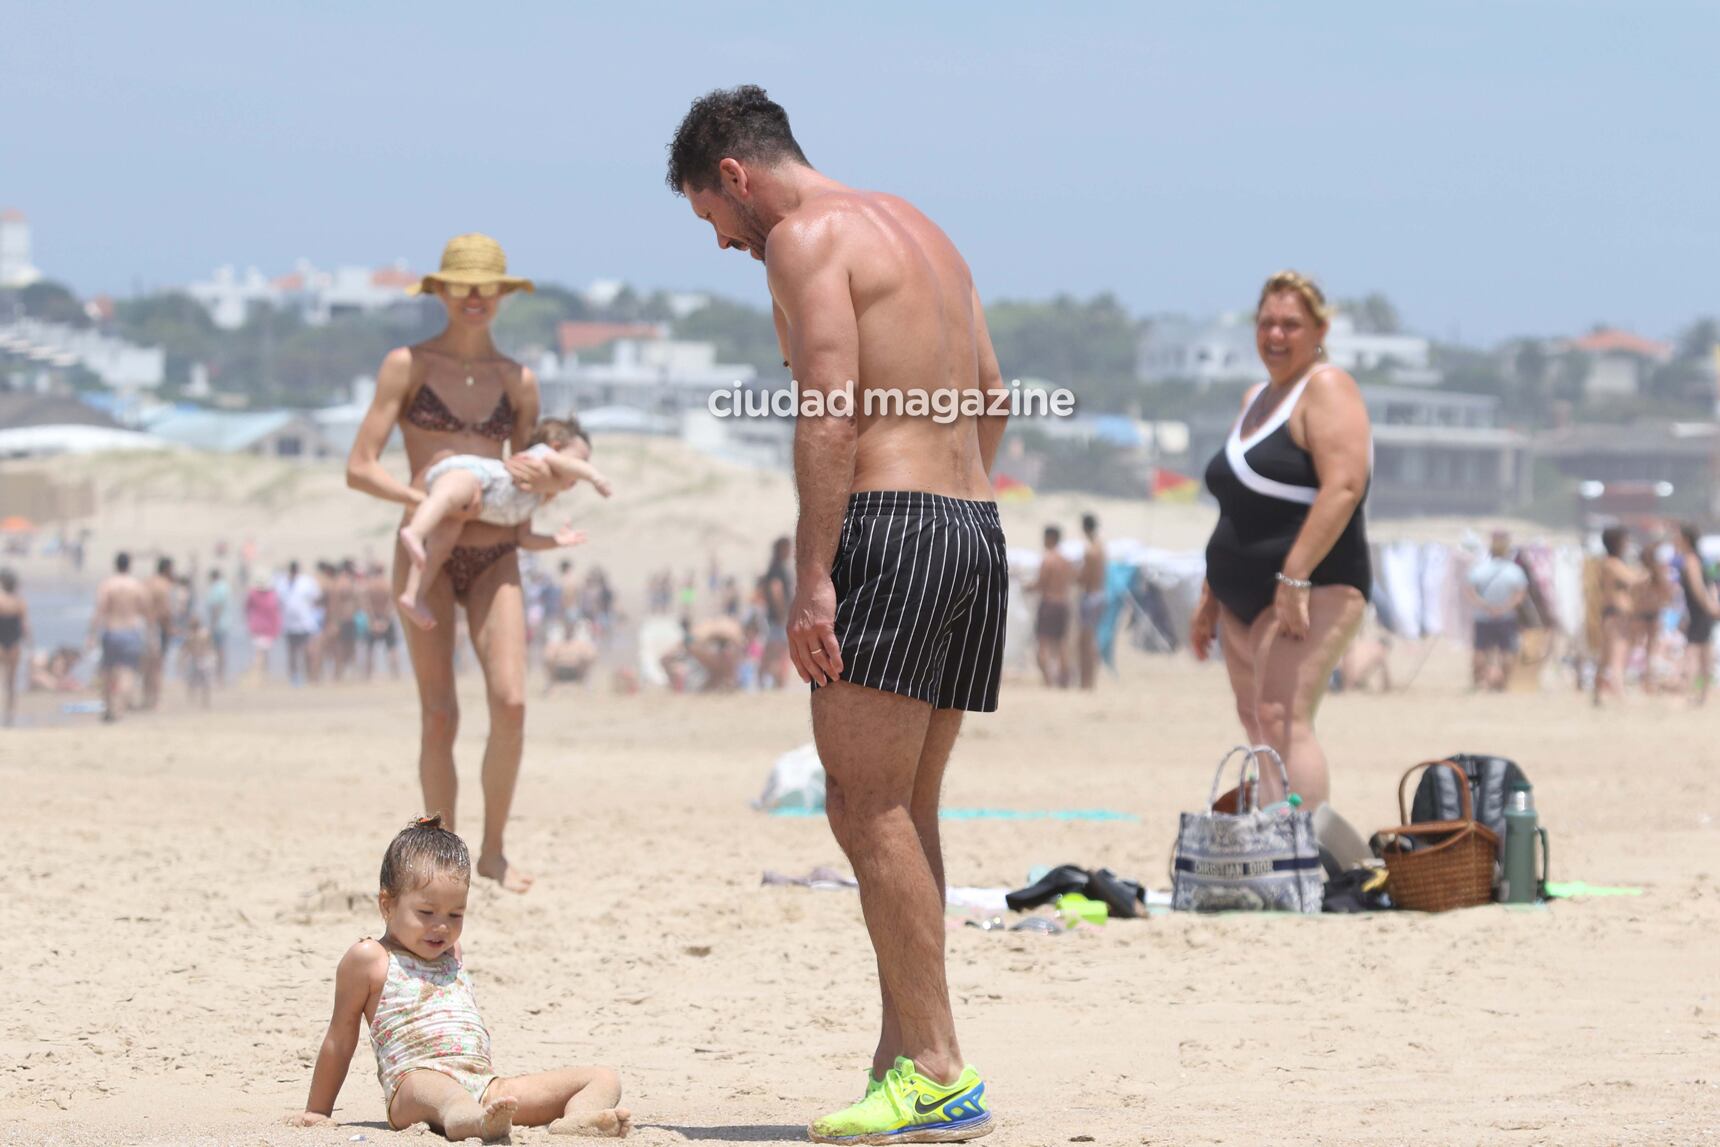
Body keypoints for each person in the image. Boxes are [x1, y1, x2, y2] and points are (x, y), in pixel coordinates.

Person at [669, 84, 1004, 1143]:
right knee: (908, 808)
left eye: (710, 220)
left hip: (891, 523)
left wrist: (816, 575)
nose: (723, 244)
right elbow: (990, 393)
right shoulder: (921, 229)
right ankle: (905, 1056)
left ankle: (940, 1064)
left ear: (734, 175)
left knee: (863, 810)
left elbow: (828, 407)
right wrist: (948, 504)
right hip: (972, 524)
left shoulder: (803, 238)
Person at [347, 232, 546, 894]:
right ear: (439, 290)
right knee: (440, 713)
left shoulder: (517, 381)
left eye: (486, 285)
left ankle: (492, 851)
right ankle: (442, 856)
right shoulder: (406, 365)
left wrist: (549, 493)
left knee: (512, 701)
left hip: (496, 551)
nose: (474, 297)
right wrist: (428, 497)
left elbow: (527, 479)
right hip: (422, 550)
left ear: (502, 294)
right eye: (461, 285)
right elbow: (359, 465)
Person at [290, 816, 629, 1139]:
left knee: (603, 1077)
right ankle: (473, 1122)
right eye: (426, 913)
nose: (442, 926)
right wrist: (318, 1110)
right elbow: (339, 1038)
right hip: (414, 1085)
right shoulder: (370, 959)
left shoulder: (453, 953)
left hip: (485, 1086)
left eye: (456, 914)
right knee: (439, 1090)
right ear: (387, 905)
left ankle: (578, 1119)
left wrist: (488, 1095)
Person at [1189, 271, 1371, 811]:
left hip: (1314, 585)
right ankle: (1273, 842)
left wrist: (1294, 576)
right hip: (1239, 598)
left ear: (1319, 329)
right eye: (1266, 322)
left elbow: (1344, 486)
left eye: (1291, 324)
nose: (1276, 334)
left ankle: (1302, 855)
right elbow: (1239, 507)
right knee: (1256, 722)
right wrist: (1210, 594)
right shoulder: (1255, 398)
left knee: (1283, 717)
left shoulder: (1327, 387)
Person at [397, 418, 608, 631]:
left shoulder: (534, 497)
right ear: (555, 447)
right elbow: (568, 465)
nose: (580, 472)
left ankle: (413, 595)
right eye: (581, 460)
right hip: (474, 475)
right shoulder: (539, 458)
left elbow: (524, 538)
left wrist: (556, 540)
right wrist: (595, 477)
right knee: (448, 495)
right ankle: (415, 531)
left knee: (437, 549)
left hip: (465, 508)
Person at [89, 552, 151, 723]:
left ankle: (109, 708)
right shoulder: (136, 586)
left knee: (108, 671)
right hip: (131, 632)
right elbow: (146, 611)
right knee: (127, 672)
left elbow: (99, 611)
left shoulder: (108, 585)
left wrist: (91, 635)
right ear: (129, 565)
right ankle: (119, 709)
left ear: (115, 565)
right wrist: (151, 635)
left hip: (112, 631)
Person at [1464, 530, 1529, 692]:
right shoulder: (1515, 570)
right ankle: (1503, 684)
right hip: (1506, 617)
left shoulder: (1479, 569)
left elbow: (1470, 593)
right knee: (1507, 652)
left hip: (1483, 617)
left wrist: (1486, 607)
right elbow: (1519, 596)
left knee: (1480, 651)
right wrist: (1503, 609)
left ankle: (1479, 682)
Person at [1592, 526, 1642, 707]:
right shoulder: (1612, 564)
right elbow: (1633, 579)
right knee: (1616, 655)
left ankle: (1597, 694)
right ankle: (1620, 694)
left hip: (1614, 614)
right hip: (1615, 614)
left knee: (1606, 657)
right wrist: (1650, 573)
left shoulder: (1609, 563)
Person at [1026, 525, 1075, 688]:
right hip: (1064, 603)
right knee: (1061, 643)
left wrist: (1027, 587)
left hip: (1049, 603)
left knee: (1043, 643)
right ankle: (1064, 681)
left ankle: (1048, 681)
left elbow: (1041, 584)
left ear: (1050, 538)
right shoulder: (1066, 560)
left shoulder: (1048, 559)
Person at [1675, 523, 1717, 706]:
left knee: (1693, 651)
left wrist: (1709, 606)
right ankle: (1703, 695)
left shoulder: (1690, 560)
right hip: (1703, 610)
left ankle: (1688, 692)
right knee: (1705, 651)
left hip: (1699, 611)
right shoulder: (1699, 559)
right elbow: (1710, 585)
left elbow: (1698, 588)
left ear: (1685, 539)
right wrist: (1713, 604)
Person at [277, 561, 322, 686]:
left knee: (308, 650)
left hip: (305, 622)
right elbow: (279, 602)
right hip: (289, 623)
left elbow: (316, 597)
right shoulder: (282, 583)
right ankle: (294, 677)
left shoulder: (307, 582)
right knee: (292, 652)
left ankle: (310, 675)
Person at [759, 536, 793, 689]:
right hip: (777, 617)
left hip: (776, 616)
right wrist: (781, 613)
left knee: (776, 650)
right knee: (776, 650)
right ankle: (768, 681)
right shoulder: (777, 568)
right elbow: (775, 590)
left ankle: (771, 681)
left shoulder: (776, 567)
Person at [142, 556, 176, 709]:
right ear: (167, 569)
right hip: (157, 627)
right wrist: (169, 628)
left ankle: (146, 697)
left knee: (146, 665)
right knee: (157, 665)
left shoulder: (146, 582)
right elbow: (165, 611)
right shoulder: (164, 585)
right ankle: (155, 700)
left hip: (143, 626)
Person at [1076, 513, 1106, 689]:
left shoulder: (1090, 551)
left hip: (1090, 596)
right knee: (1091, 639)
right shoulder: (1101, 548)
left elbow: (1084, 577)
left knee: (1085, 642)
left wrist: (1075, 576)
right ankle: (1090, 681)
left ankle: (1086, 682)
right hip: (1100, 594)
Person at [361, 563, 401, 680]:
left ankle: (367, 677)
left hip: (374, 620)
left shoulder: (369, 585)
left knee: (370, 649)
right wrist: (385, 620)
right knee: (392, 648)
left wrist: (373, 621)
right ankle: (396, 675)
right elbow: (392, 604)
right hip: (386, 619)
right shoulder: (389, 585)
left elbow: (366, 605)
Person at [0, 568, 30, 726]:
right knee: (11, 680)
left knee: (7, 679)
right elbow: (25, 626)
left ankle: (8, 713)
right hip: (13, 642)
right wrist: (30, 644)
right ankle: (9, 714)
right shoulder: (19, 601)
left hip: (3, 641)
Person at [245, 575, 283, 684]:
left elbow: (246, 609)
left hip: (264, 628)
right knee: (261, 653)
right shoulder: (262, 595)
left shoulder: (262, 595)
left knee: (262, 653)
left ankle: (261, 675)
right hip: (260, 628)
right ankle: (259, 675)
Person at [179, 616, 215, 708]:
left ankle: (204, 701)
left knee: (205, 682)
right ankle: (193, 700)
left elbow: (210, 646)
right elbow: (185, 649)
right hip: (195, 659)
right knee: (193, 681)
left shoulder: (203, 633)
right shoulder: (190, 635)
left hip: (204, 659)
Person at [206, 569, 232, 686]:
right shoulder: (225, 587)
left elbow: (216, 607)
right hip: (225, 623)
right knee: (221, 650)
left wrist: (213, 624)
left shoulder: (217, 588)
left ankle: (219, 677)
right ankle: (221, 676)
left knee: (217, 651)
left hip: (218, 624)